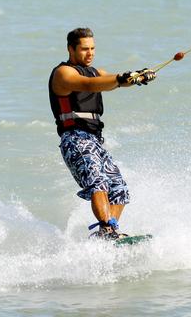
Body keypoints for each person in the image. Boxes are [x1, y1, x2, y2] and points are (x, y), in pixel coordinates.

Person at [48, 28, 156, 240]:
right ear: (71, 49)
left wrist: (138, 76)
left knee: (119, 189)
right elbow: (89, 85)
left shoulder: (97, 72)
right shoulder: (63, 73)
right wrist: (120, 78)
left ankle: (107, 232)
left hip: (95, 141)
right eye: (85, 49)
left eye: (93, 49)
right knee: (98, 182)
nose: (90, 53)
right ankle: (107, 230)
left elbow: (116, 81)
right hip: (75, 139)